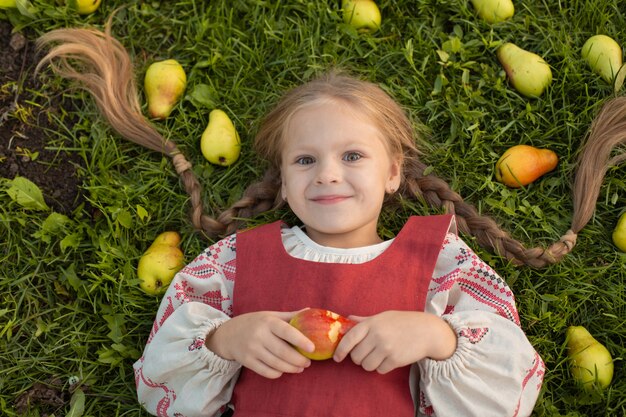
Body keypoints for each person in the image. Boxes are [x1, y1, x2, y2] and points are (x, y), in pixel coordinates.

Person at [36, 17, 626, 417]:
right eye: (305, 159)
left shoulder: (439, 261)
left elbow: (513, 385)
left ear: (394, 171)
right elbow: (158, 381)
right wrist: (223, 339)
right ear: (284, 180)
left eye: (352, 156)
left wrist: (438, 337)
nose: (328, 174)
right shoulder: (236, 261)